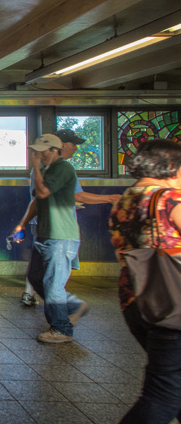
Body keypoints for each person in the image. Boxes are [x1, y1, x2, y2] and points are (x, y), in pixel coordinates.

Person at [109, 139, 181, 423]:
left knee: (173, 384)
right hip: (172, 304)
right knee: (163, 394)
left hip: (135, 299)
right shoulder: (169, 199)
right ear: (172, 166)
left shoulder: (125, 199)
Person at [18, 129, 121, 306]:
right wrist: (110, 198)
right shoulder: (61, 168)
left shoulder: (43, 167)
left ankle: (32, 295)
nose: (76, 149)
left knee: (39, 266)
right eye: (74, 144)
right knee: (54, 271)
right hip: (58, 229)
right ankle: (65, 309)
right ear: (62, 145)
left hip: (42, 223)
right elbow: (77, 195)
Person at [12, 134, 87, 343]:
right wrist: (22, 224)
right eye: (35, 152)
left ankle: (62, 329)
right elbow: (37, 200)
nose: (37, 155)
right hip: (45, 233)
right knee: (36, 277)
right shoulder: (45, 170)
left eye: (41, 151)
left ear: (55, 150)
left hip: (60, 236)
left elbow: (43, 192)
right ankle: (72, 305)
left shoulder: (63, 168)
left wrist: (36, 167)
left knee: (53, 283)